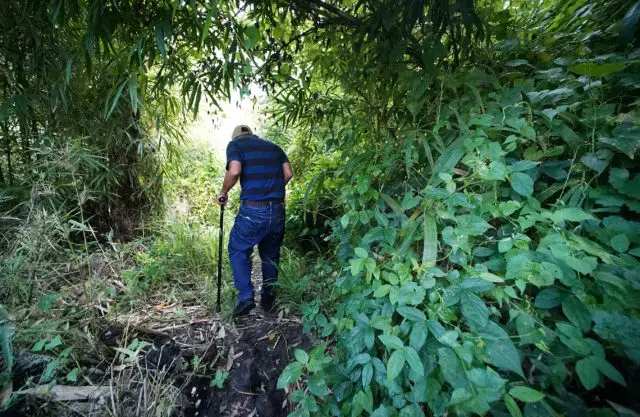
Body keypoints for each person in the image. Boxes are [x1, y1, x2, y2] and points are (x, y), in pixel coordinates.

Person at [217, 125, 293, 317]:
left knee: (238, 249)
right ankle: (268, 297)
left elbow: (234, 171)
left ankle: (245, 298)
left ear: (236, 136)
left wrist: (223, 192)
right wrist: (272, 189)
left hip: (253, 209)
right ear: (252, 134)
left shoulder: (235, 145)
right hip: (276, 209)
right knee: (270, 254)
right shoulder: (274, 147)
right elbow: (288, 174)